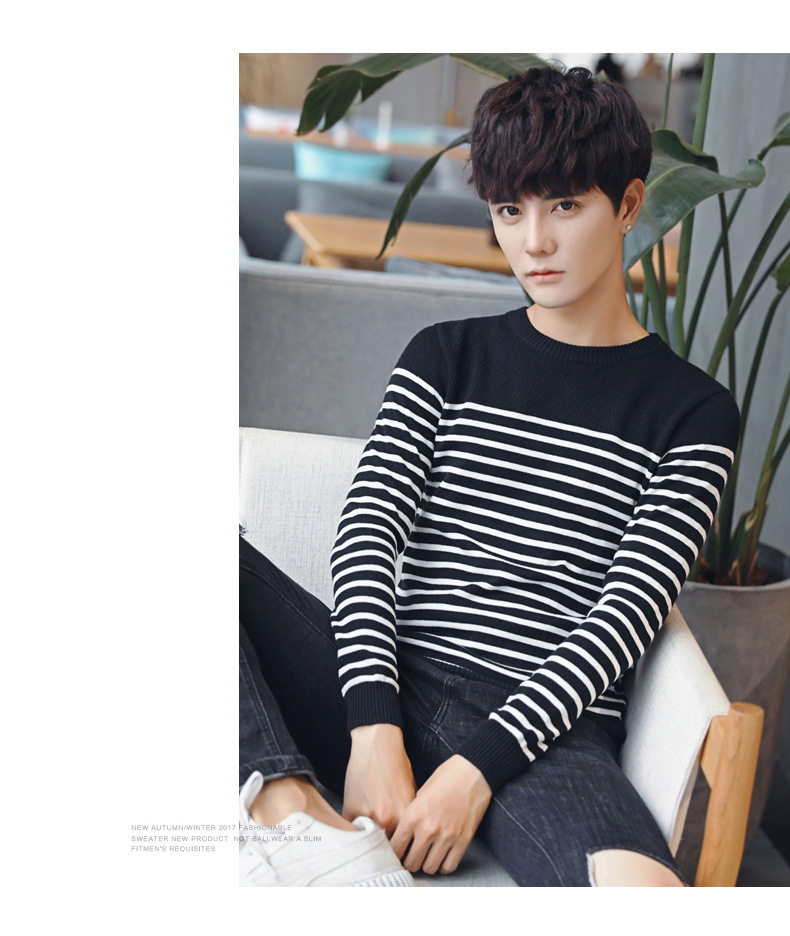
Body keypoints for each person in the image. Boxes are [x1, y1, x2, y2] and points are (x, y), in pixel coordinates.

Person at [238, 64, 740, 887]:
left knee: (644, 892)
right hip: (389, 675)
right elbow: (367, 537)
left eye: (564, 206)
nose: (533, 242)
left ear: (629, 205)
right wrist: (372, 728)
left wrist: (474, 771)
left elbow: (625, 617)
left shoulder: (695, 413)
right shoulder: (445, 356)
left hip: (546, 731)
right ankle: (298, 818)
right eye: (510, 210)